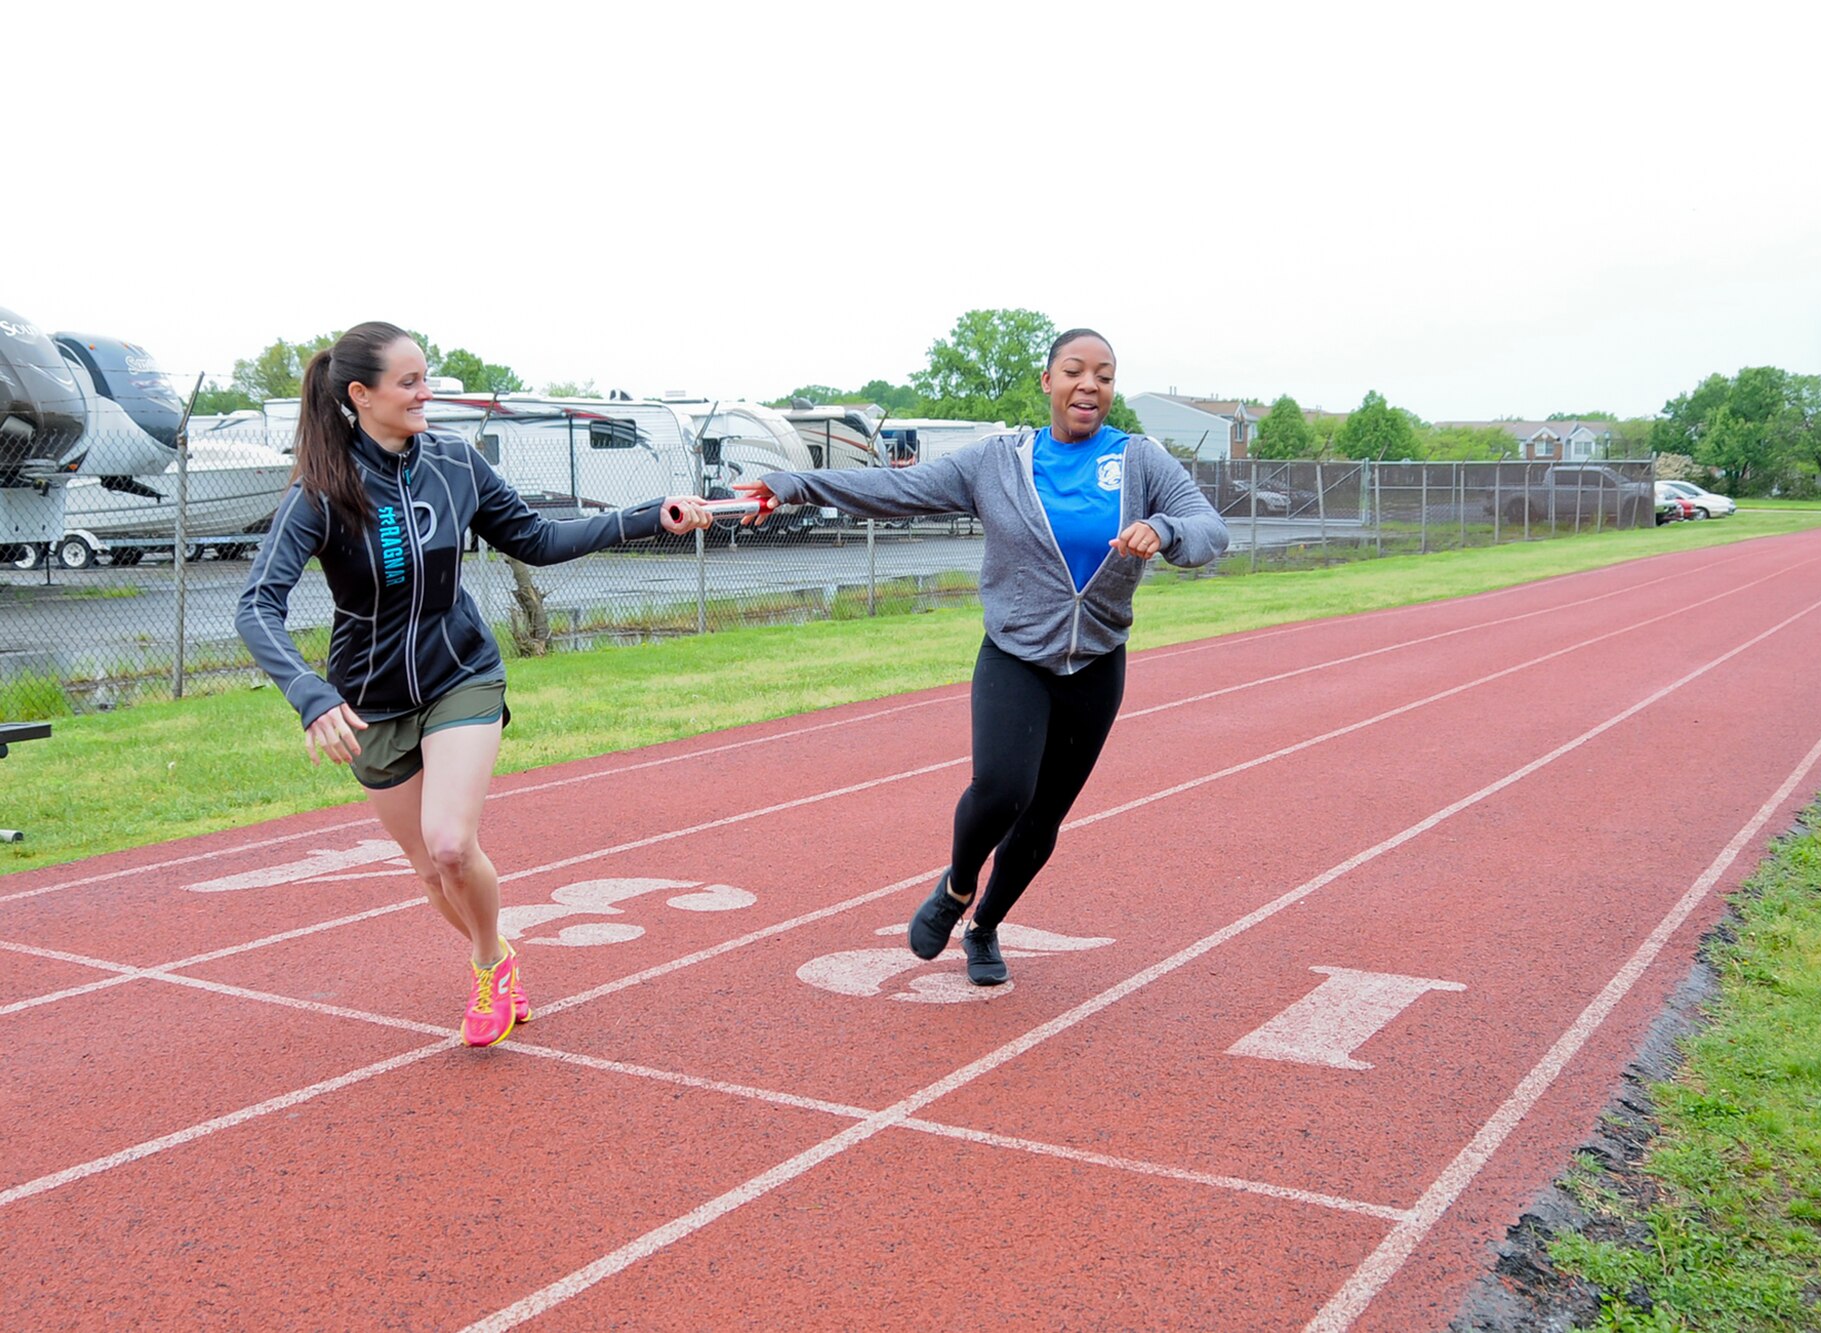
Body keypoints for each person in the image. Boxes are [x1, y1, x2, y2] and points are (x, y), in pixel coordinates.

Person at [235, 322, 712, 1047]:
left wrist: (649, 515)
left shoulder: (455, 462)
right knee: (431, 870)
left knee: (452, 843)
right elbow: (255, 604)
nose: (426, 393)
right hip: (369, 698)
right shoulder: (322, 490)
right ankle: (501, 953)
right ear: (361, 395)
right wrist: (312, 695)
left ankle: (488, 962)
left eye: (427, 377)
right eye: (409, 382)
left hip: (462, 672)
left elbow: (538, 539)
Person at [730, 329, 1228, 986]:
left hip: (1096, 663)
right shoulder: (997, 461)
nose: (1090, 386)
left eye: (1104, 376)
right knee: (1002, 791)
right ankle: (958, 886)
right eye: (1075, 371)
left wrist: (1164, 528)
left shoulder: (1140, 461)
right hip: (1015, 655)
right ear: (1047, 381)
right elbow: (893, 490)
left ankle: (985, 925)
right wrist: (793, 483)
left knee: (1044, 818)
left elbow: (1208, 529)